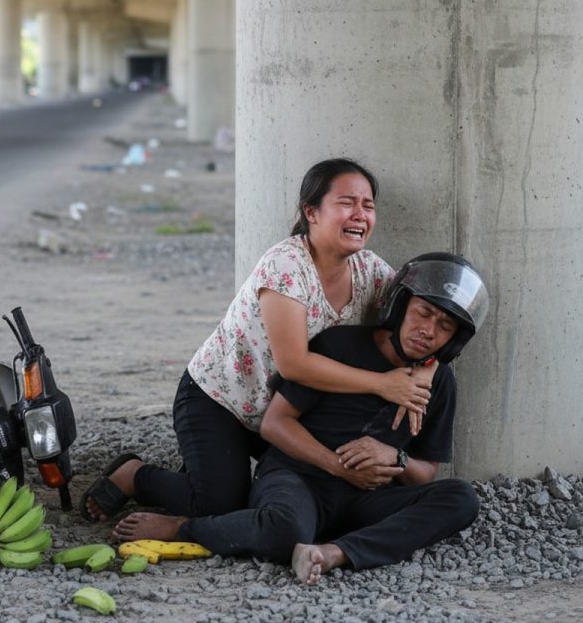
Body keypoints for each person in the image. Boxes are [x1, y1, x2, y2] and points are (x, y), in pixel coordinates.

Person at [81, 159, 436, 522]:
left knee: (300, 497)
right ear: (311, 211)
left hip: (285, 414)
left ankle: (204, 473)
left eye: (368, 206)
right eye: (347, 203)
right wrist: (383, 384)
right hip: (220, 400)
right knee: (218, 505)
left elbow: (426, 319)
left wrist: (425, 370)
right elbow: (294, 364)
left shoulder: (372, 272)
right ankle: (133, 475)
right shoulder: (286, 265)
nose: (360, 214)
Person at [113, 253, 490, 585]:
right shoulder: (339, 345)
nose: (429, 331)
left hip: (367, 499)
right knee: (285, 529)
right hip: (298, 478)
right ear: (402, 305)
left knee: (462, 499)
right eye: (423, 313)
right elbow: (275, 424)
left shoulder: (439, 383)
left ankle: (334, 553)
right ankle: (184, 527)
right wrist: (339, 468)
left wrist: (395, 457)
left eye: (445, 327)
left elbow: (426, 472)